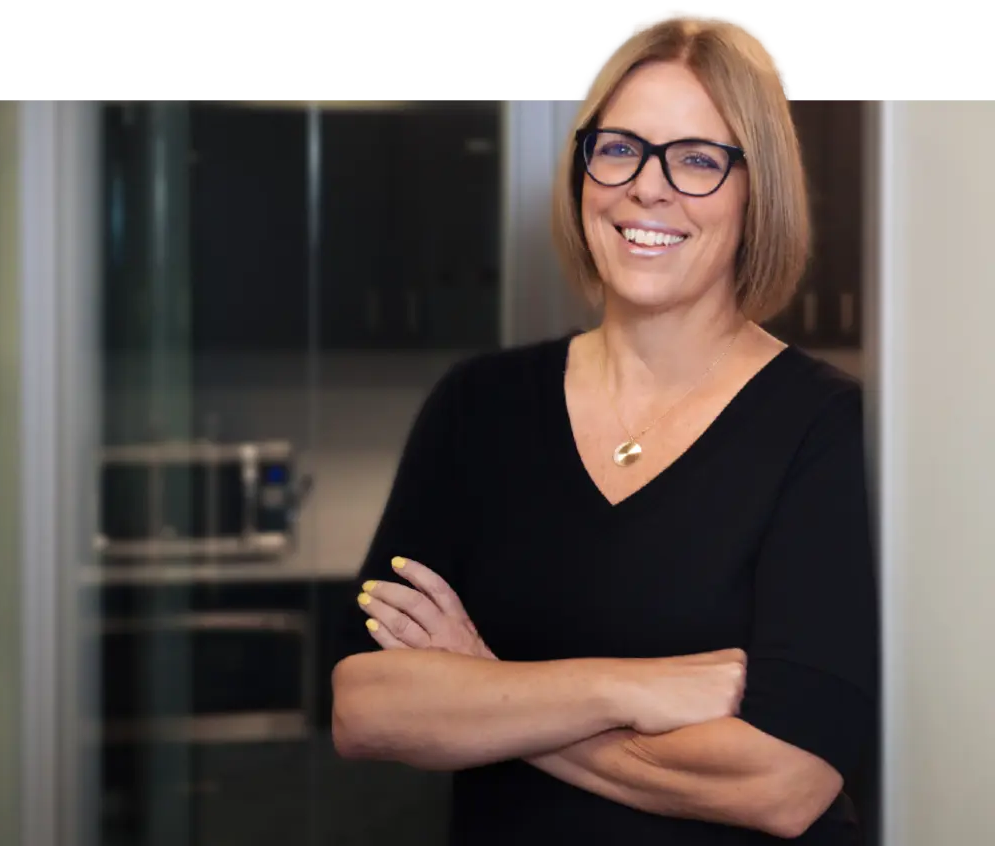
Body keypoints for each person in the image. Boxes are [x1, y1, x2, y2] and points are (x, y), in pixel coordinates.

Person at [329, 8, 878, 846]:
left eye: (697, 159)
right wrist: (632, 689)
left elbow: (784, 783)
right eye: (619, 148)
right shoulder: (479, 407)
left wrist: (488, 689)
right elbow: (367, 707)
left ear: (755, 190)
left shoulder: (828, 428)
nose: (646, 187)